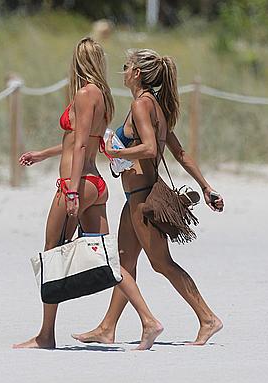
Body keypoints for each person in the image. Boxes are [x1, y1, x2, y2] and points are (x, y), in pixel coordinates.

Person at [13, 38, 163, 351]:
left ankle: (46, 335)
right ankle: (149, 320)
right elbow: (78, 140)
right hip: (97, 183)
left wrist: (70, 189)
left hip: (78, 182)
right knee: (106, 258)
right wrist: (43, 154)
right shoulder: (103, 96)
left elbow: (80, 145)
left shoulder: (84, 94)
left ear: (78, 62)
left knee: (52, 250)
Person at [72, 49, 224, 346]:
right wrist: (206, 187)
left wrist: (117, 152)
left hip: (143, 200)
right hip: (136, 198)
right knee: (125, 265)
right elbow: (179, 153)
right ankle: (107, 328)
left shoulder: (142, 105)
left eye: (126, 66)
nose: (124, 70)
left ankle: (207, 318)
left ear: (137, 73)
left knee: (162, 263)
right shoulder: (155, 106)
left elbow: (151, 149)